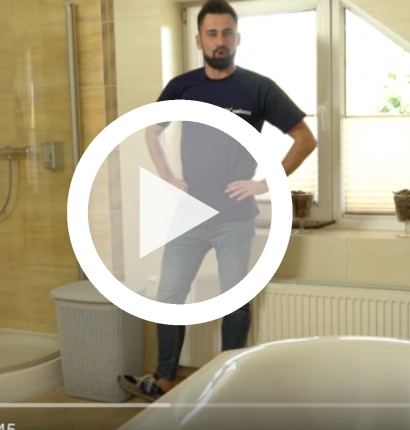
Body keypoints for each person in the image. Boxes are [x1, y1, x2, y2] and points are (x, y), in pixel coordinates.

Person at [118, 0, 317, 401]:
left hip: (234, 219)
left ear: (237, 38)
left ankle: (228, 386)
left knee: (235, 301)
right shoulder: (182, 87)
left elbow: (304, 138)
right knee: (169, 297)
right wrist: (167, 176)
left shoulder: (258, 88)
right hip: (188, 215)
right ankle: (165, 379)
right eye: (211, 33)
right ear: (199, 40)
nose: (219, 40)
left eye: (227, 33)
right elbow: (152, 130)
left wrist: (265, 184)